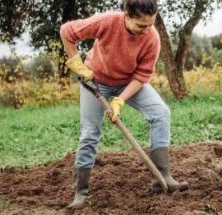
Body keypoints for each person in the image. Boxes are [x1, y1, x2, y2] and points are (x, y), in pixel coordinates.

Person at [60, 0, 189, 209]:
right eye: (141, 26)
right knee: (90, 133)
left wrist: (121, 100)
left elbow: (142, 75)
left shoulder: (152, 38)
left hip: (128, 83)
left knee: (161, 113)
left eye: (151, 24)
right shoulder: (108, 21)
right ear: (126, 15)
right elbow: (67, 31)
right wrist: (77, 63)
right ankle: (80, 194)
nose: (146, 31)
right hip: (95, 81)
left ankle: (162, 177)